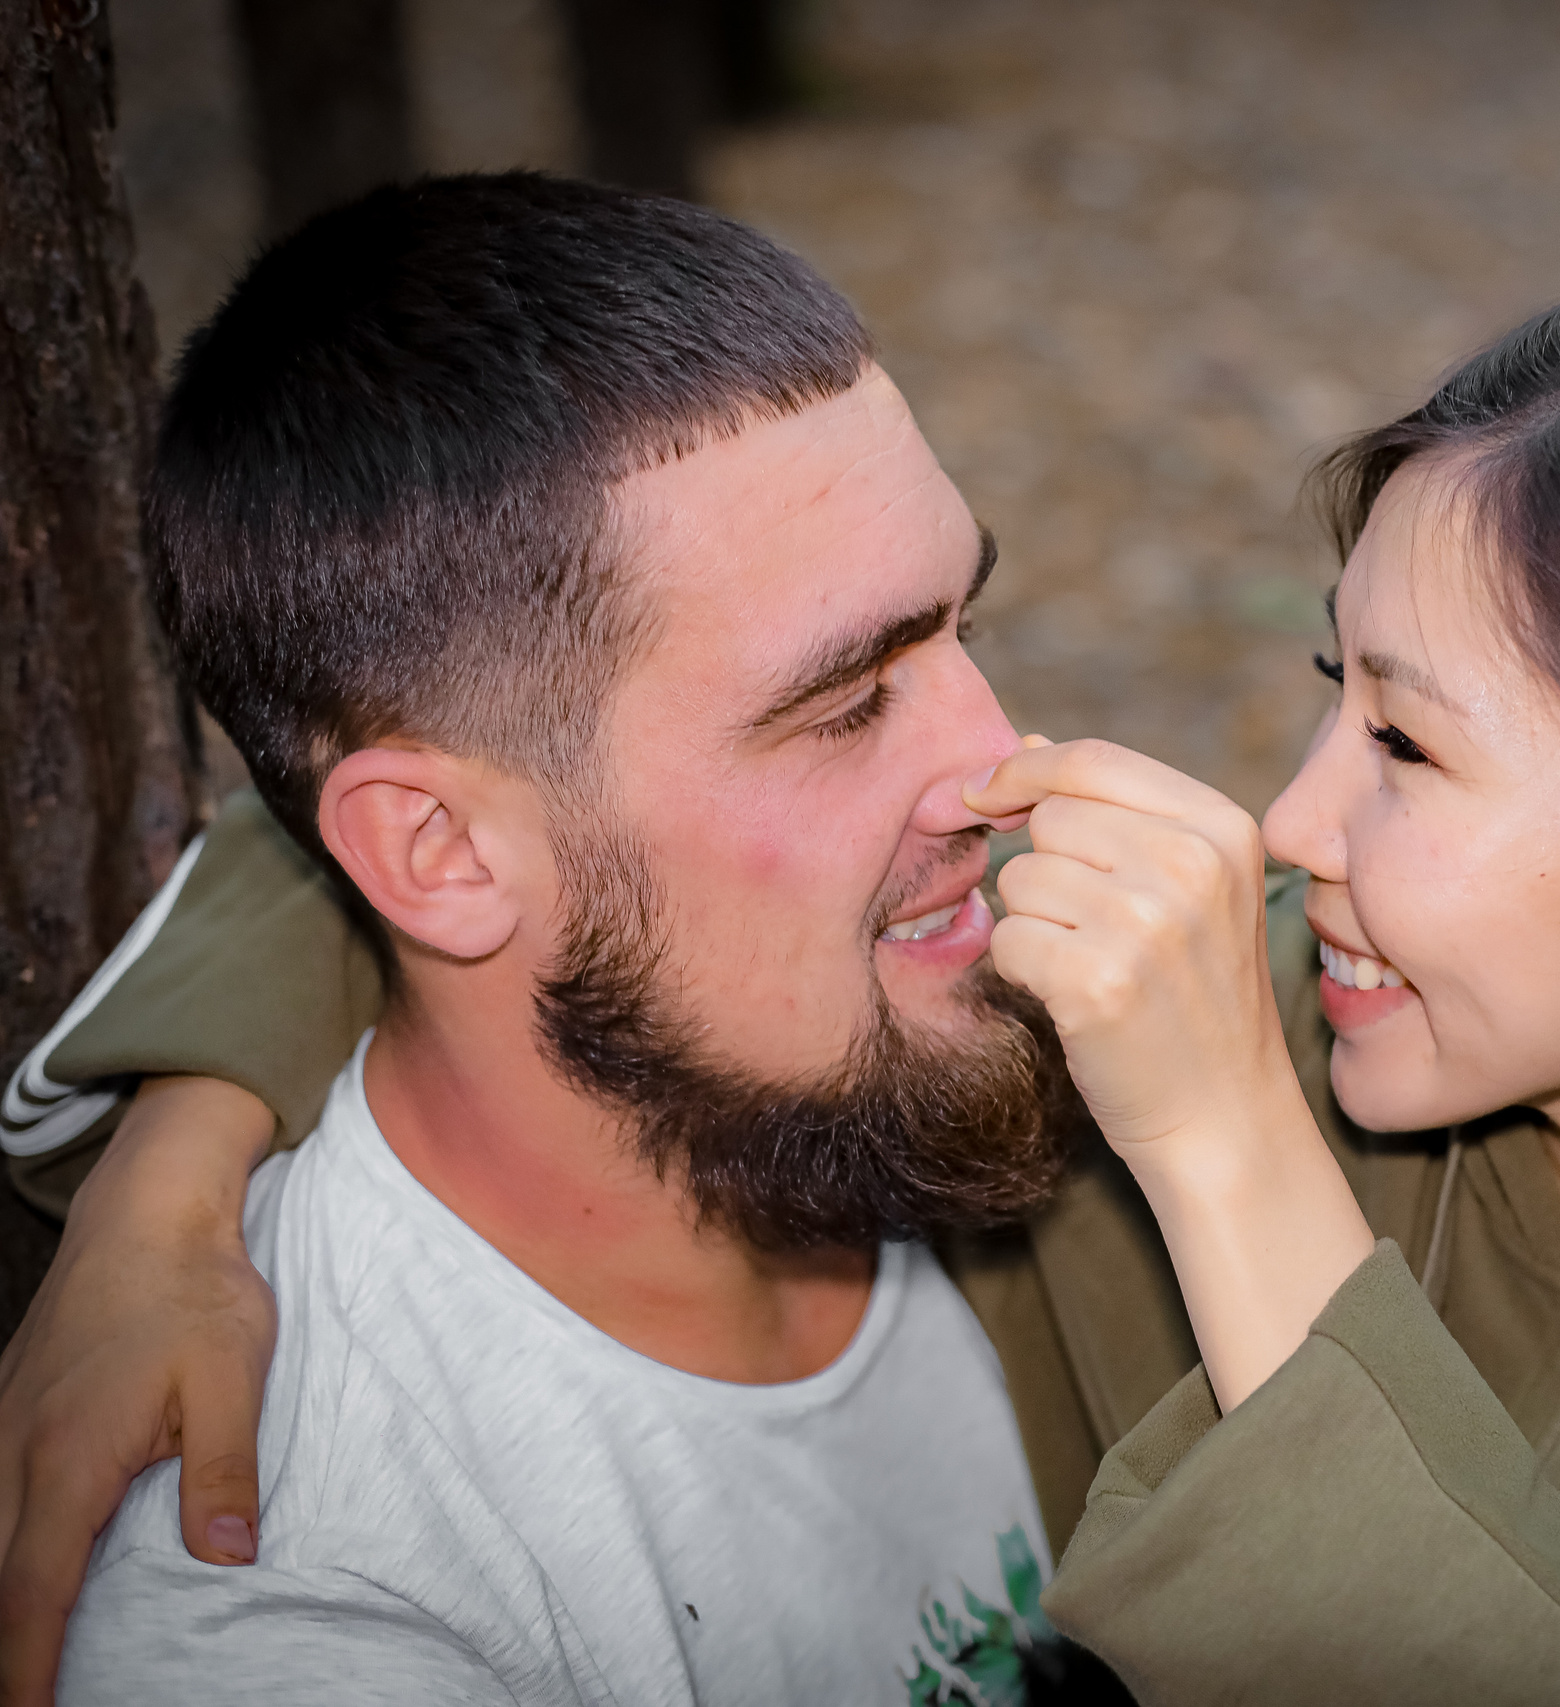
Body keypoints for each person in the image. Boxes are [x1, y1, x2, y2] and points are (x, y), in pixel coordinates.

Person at [2, 261, 1560, 1704]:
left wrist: (1230, 1150)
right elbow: (526, 813)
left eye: (1408, 744)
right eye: (1328, 691)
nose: (1290, 820)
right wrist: (166, 1174)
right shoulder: (1327, 975)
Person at [3, 172, 1135, 1705]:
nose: (1006, 766)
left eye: (964, 632)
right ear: (441, 852)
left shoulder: (1012, 1061)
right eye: (847, 704)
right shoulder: (304, 1615)